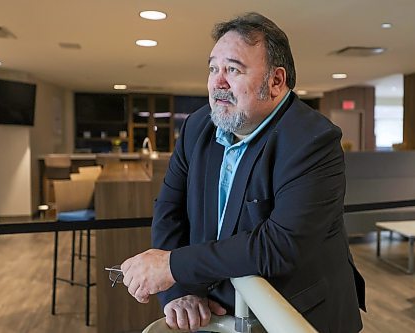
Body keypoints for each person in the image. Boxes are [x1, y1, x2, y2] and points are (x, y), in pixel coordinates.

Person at [120, 12, 366, 333]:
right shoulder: (197, 126)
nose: (217, 82)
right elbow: (170, 210)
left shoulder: (313, 140)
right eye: (213, 68)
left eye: (233, 69)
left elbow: (279, 245)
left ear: (276, 82)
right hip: (219, 311)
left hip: (297, 314)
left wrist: (172, 266)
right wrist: (180, 291)